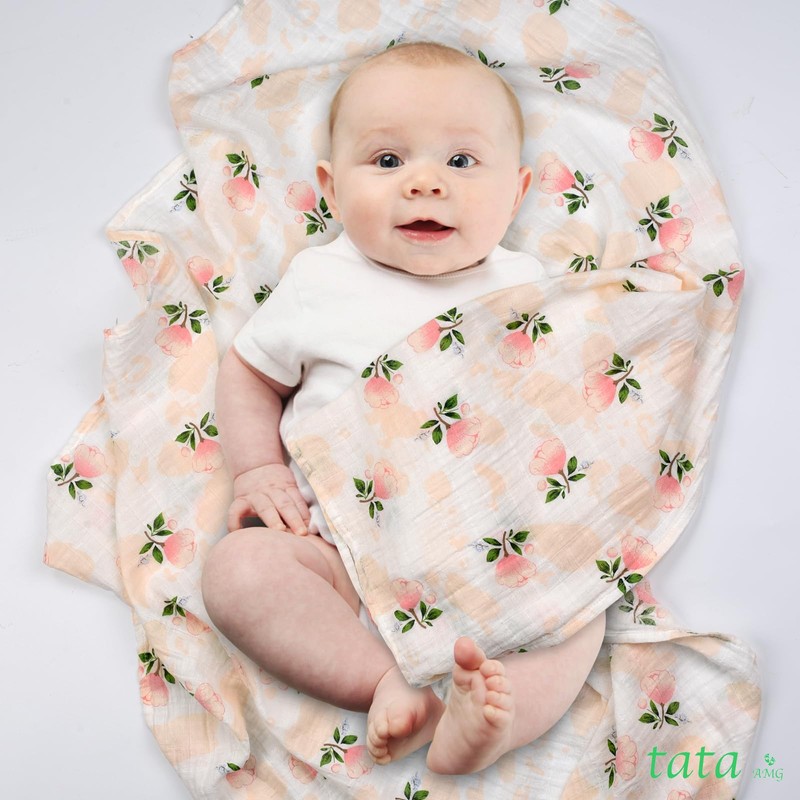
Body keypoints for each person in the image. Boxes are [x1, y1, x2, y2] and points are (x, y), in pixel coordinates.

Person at [201, 41, 606, 776]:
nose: (424, 183)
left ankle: (491, 726)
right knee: (239, 573)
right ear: (331, 187)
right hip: (343, 550)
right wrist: (257, 469)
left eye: (461, 161)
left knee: (585, 603)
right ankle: (387, 682)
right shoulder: (321, 281)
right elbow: (250, 373)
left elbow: (572, 393)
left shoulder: (528, 287)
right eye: (387, 161)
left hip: (498, 549)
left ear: (516, 193)